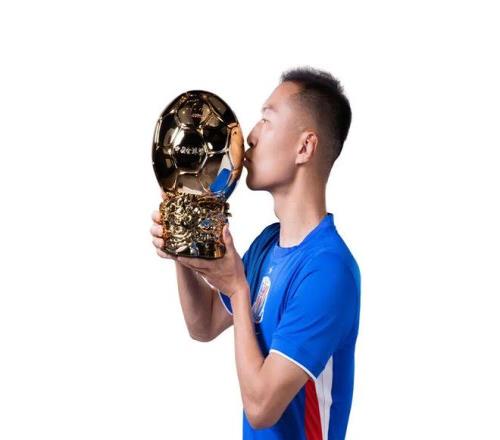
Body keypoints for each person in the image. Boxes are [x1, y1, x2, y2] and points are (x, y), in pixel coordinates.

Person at [150, 66, 361, 440]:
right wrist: (182, 244)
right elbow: (204, 324)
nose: (250, 135)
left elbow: (261, 408)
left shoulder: (328, 271)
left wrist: (238, 289)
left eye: (267, 119)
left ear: (304, 147)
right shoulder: (267, 244)